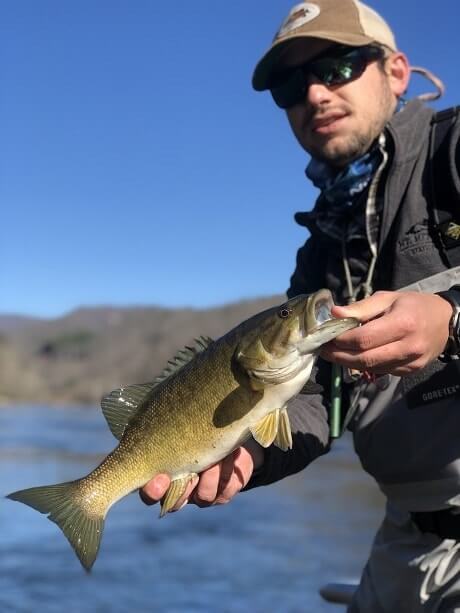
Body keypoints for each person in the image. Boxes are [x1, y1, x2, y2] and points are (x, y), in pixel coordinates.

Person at [141, 1, 460, 610]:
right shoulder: (320, 254)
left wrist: (454, 316)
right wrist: (249, 453)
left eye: (337, 66)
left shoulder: (454, 153)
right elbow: (315, 399)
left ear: (395, 72)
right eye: (291, 84)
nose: (314, 92)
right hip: (406, 539)